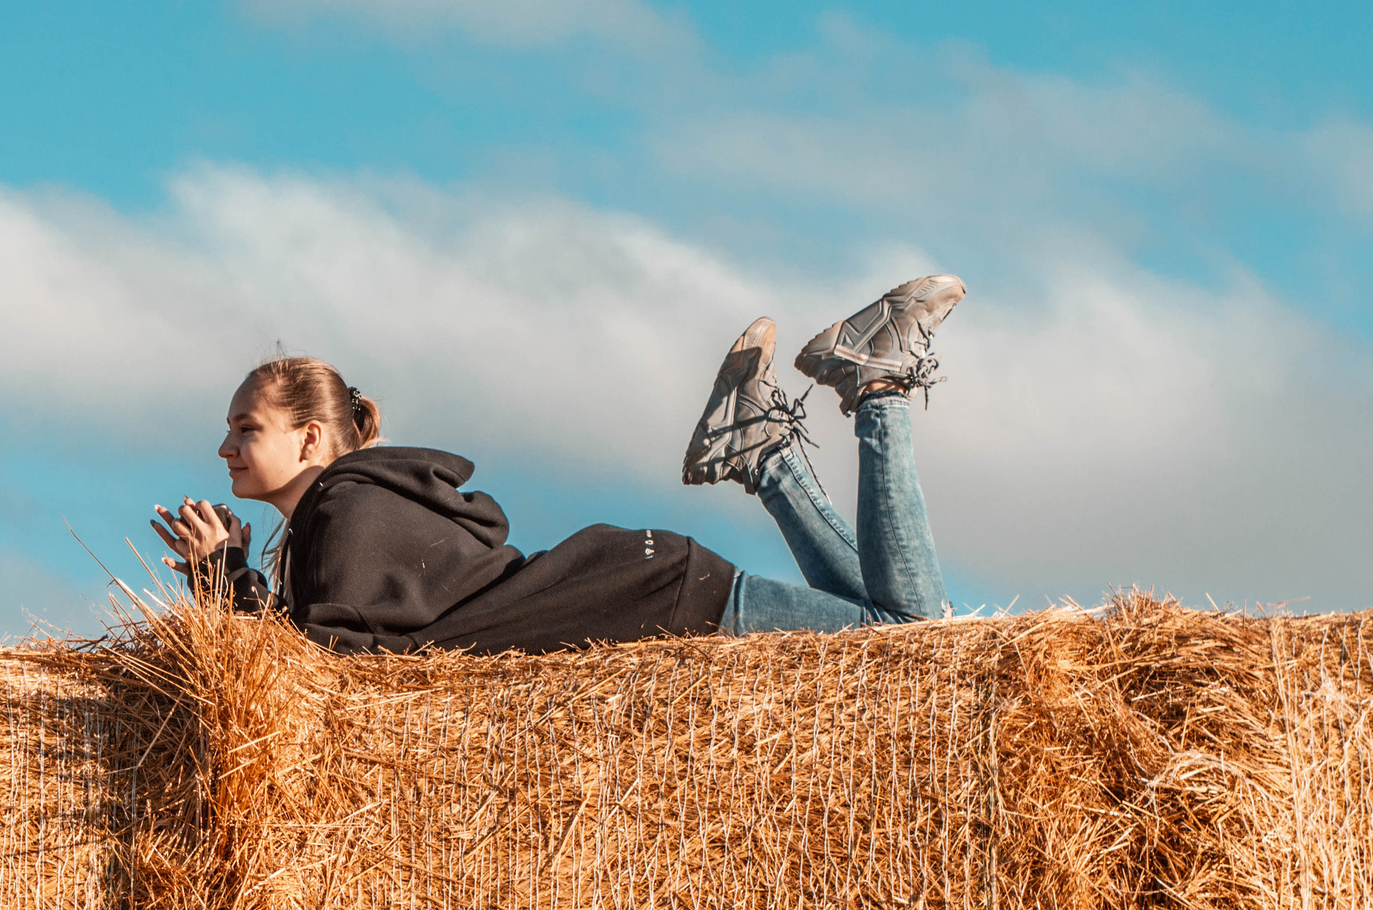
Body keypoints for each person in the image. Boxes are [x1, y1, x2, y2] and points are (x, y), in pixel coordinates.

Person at [148, 276, 963, 651]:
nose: (224, 447)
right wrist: (234, 579)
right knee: (905, 638)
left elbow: (332, 680)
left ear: (310, 440)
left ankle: (876, 386)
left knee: (921, 647)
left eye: (244, 427)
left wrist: (225, 579)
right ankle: (763, 451)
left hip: (656, 599)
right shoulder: (343, 515)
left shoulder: (345, 513)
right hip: (646, 586)